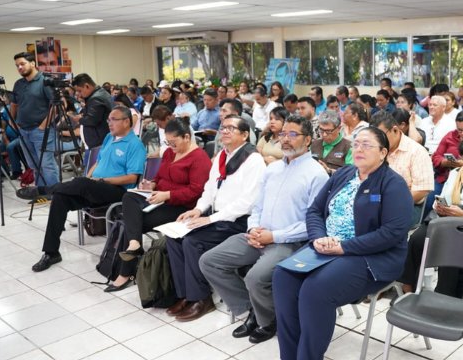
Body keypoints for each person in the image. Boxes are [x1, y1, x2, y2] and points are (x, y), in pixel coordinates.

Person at [273, 127, 412, 359]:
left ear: (383, 152)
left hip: (370, 256)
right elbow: (315, 211)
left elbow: (392, 233)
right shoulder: (344, 174)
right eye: (356, 144)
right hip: (327, 247)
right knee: (283, 276)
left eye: (367, 145)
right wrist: (318, 238)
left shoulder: (393, 184)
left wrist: (344, 247)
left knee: (315, 289)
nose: (359, 149)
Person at [201, 115, 328, 341]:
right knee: (210, 261)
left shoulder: (316, 174)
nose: (285, 139)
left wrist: (274, 236)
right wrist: (253, 230)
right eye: (283, 134)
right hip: (258, 235)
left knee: (255, 278)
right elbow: (257, 206)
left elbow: (313, 223)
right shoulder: (273, 168)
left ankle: (268, 321)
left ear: (308, 140)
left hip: (289, 242)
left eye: (292, 134)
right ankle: (253, 309)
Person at [164, 116, 267, 322]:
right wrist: (198, 209)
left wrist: (211, 219)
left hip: (239, 221)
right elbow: (210, 188)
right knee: (173, 237)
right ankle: (185, 294)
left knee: (193, 241)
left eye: (231, 128)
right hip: (218, 216)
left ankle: (202, 299)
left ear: (245, 135)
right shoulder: (221, 155)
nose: (225, 131)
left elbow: (246, 203)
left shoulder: (253, 160)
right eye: (223, 127)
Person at [24, 106, 147, 272]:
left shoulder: (135, 144)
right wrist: (90, 178)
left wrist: (101, 180)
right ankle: (51, 252)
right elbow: (98, 162)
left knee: (81, 183)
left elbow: (132, 178)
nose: (109, 123)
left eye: (114, 120)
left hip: (118, 191)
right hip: (96, 188)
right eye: (108, 120)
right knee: (61, 197)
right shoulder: (109, 138)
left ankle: (43, 190)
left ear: (126, 122)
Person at [106, 119, 210, 292]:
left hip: (181, 208)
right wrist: (152, 185)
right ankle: (135, 245)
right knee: (129, 197)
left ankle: (125, 273)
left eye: (174, 142)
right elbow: (161, 177)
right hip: (159, 199)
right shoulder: (170, 153)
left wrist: (167, 195)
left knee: (129, 223)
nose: (171, 146)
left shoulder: (200, 158)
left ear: (186, 137)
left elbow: (196, 192)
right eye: (167, 142)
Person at [400, 135, 463, 296]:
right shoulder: (455, 173)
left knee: (451, 248)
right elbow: (444, 196)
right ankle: (408, 285)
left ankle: (445, 295)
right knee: (417, 239)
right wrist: (439, 206)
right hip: (446, 219)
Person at [371, 111, 434, 224]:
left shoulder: (416, 151)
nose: (379, 141)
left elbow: (422, 189)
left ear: (395, 130)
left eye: (381, 136)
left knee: (378, 223)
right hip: (377, 200)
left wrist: (390, 203)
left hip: (407, 204)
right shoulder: (376, 149)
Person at [11, 51, 59, 188]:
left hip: (41, 130)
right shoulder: (18, 84)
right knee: (33, 164)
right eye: (17, 65)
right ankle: (42, 192)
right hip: (24, 130)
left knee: (46, 164)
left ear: (32, 63)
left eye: (22, 64)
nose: (20, 67)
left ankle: (55, 194)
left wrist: (44, 125)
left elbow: (56, 105)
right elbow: (14, 104)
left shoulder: (45, 81)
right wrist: (12, 122)